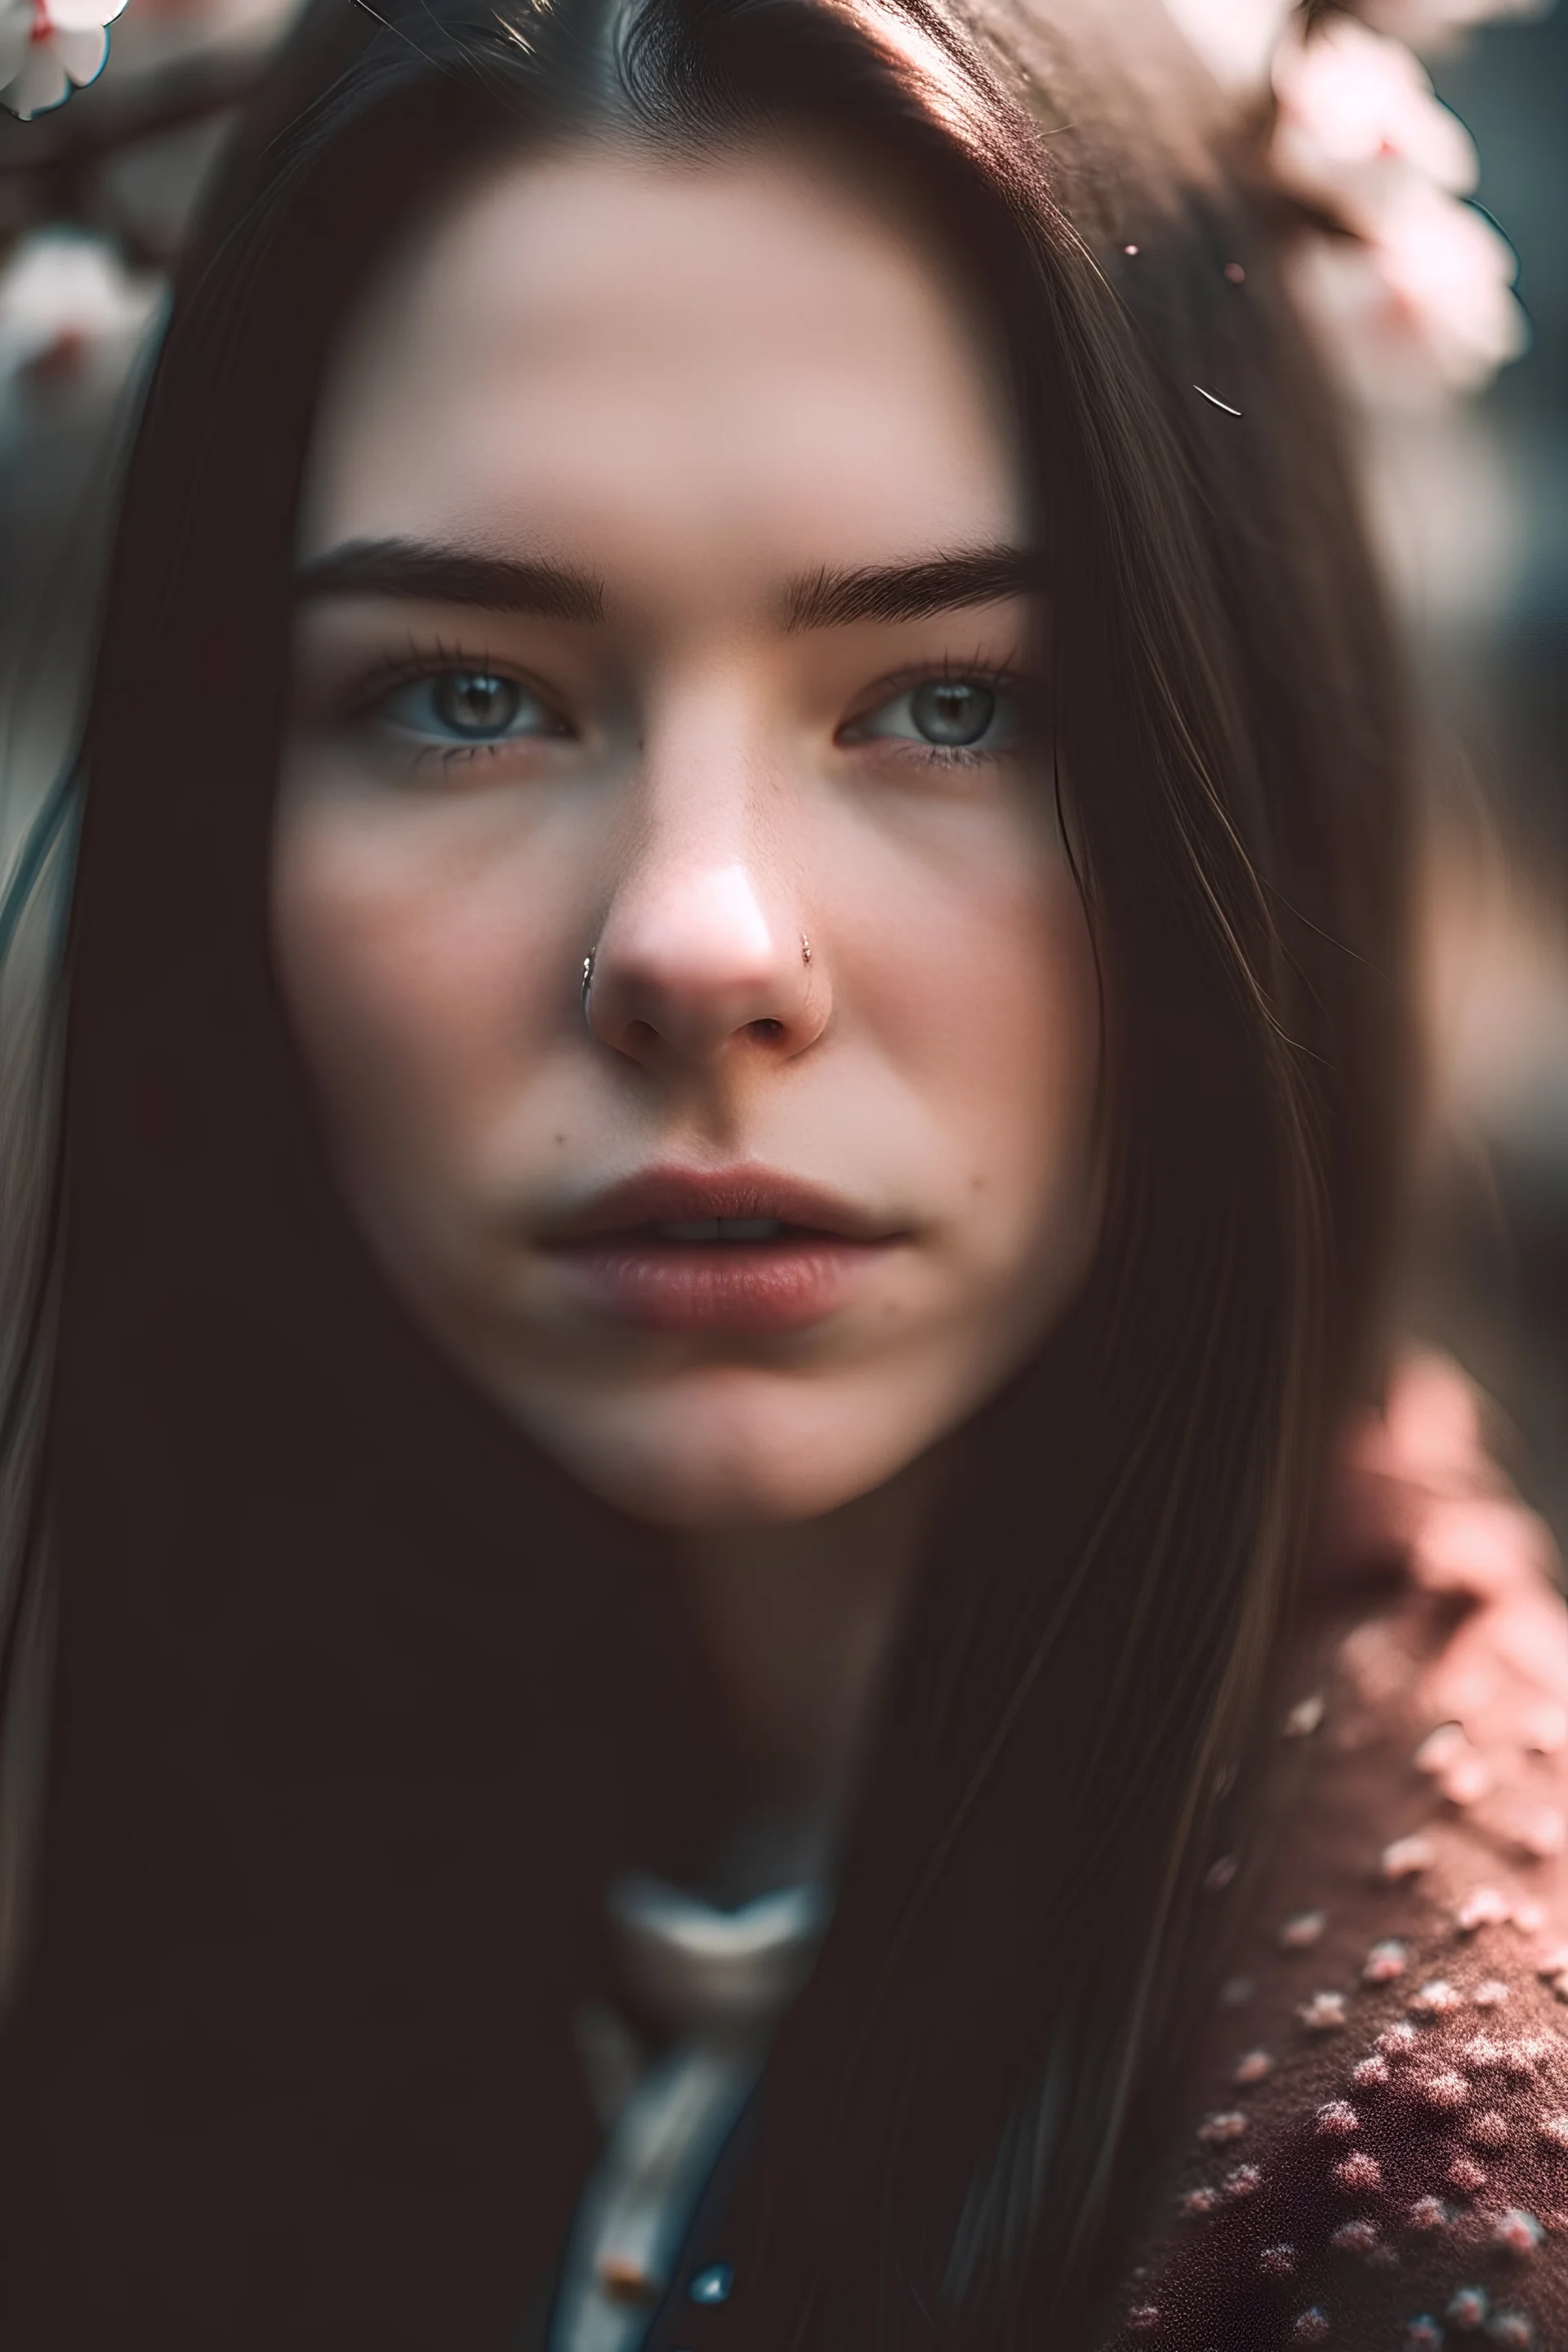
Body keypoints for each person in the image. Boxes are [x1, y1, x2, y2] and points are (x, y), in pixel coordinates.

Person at [0, 0, 1564, 2343]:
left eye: (959, 701)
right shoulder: (182, 1865)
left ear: (1262, 775)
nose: (699, 940)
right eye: (463, 692)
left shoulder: (1431, 2181)